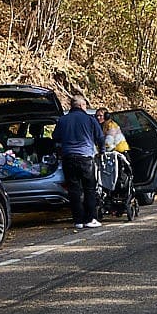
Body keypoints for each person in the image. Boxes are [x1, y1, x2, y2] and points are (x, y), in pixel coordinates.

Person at [52, 94, 105, 230]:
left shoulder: (62, 120)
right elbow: (100, 137)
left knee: (73, 189)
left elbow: (55, 137)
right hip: (85, 158)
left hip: (68, 158)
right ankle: (90, 218)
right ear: (82, 105)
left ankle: (78, 221)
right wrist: (102, 151)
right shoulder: (90, 119)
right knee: (89, 188)